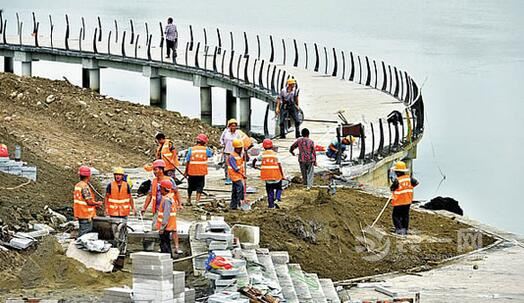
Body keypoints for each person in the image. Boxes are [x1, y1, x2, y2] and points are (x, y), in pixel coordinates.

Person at [141, 159, 183, 253]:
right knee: (156, 228)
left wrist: (180, 204)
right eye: (154, 170)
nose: (154, 172)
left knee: (172, 229)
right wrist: (144, 207)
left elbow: (176, 192)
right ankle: (156, 247)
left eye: (156, 169)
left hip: (169, 209)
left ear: (161, 169)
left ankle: (176, 247)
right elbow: (150, 195)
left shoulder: (169, 180)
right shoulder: (154, 181)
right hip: (158, 210)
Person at [390, 161, 419, 235]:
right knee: (405, 215)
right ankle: (405, 229)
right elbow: (416, 183)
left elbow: (392, 188)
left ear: (398, 172)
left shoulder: (398, 180)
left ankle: (399, 230)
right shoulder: (409, 178)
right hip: (408, 201)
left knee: (396, 216)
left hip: (399, 202)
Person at [253, 139, 284, 208]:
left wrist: (253, 165)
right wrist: (282, 175)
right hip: (276, 176)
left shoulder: (262, 154)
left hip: (267, 177)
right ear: (272, 146)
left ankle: (271, 205)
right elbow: (279, 165)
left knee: (270, 191)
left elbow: (255, 159)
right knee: (279, 188)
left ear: (264, 147)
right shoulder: (275, 154)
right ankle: (277, 198)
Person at [185, 134, 214, 205]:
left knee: (190, 186)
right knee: (200, 186)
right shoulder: (206, 150)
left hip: (192, 171)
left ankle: (189, 200)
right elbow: (211, 154)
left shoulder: (191, 149)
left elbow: (187, 161)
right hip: (201, 172)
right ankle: (197, 201)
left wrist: (186, 172)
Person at [73, 166, 102, 237]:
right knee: (85, 235)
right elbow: (89, 201)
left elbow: (82, 200)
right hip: (86, 215)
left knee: (82, 232)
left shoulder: (78, 185)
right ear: (89, 176)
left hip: (80, 213)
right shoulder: (85, 187)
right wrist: (97, 203)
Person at [156, 180, 178, 257]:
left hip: (166, 227)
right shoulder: (170, 197)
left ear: (164, 189)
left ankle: (167, 260)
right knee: (166, 244)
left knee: (165, 246)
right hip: (169, 226)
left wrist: (162, 227)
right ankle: (168, 259)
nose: (160, 190)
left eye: (161, 188)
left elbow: (166, 214)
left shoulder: (166, 199)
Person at [220, 119, 243, 185]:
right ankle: (228, 177)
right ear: (229, 126)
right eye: (232, 126)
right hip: (227, 150)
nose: (233, 127)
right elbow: (221, 139)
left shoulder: (238, 133)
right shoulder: (226, 132)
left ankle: (234, 177)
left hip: (235, 152)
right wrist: (222, 144)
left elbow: (240, 141)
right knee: (227, 165)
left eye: (235, 126)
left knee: (235, 165)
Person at [227, 139, 246, 210]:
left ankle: (233, 205)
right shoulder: (232, 156)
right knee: (240, 189)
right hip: (235, 175)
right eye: (239, 148)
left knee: (235, 190)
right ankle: (239, 203)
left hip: (238, 175)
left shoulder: (238, 155)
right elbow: (236, 168)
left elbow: (244, 161)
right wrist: (243, 175)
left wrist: (245, 154)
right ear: (236, 148)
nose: (241, 149)